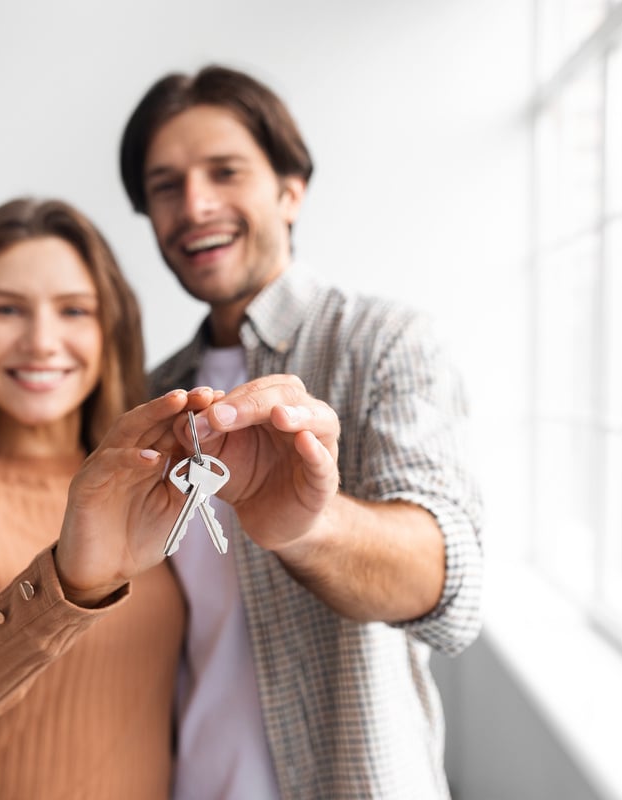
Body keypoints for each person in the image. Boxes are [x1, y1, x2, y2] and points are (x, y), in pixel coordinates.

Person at [119, 65, 485, 799]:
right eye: (166, 185)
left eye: (225, 171)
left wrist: (307, 525)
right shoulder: (150, 394)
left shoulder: (383, 343)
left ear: (291, 189)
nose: (194, 205)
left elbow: (450, 586)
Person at [0, 197, 218, 799]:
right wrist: (66, 586)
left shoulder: (162, 482)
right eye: (6, 309)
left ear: (110, 330)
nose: (41, 341)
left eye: (74, 310)